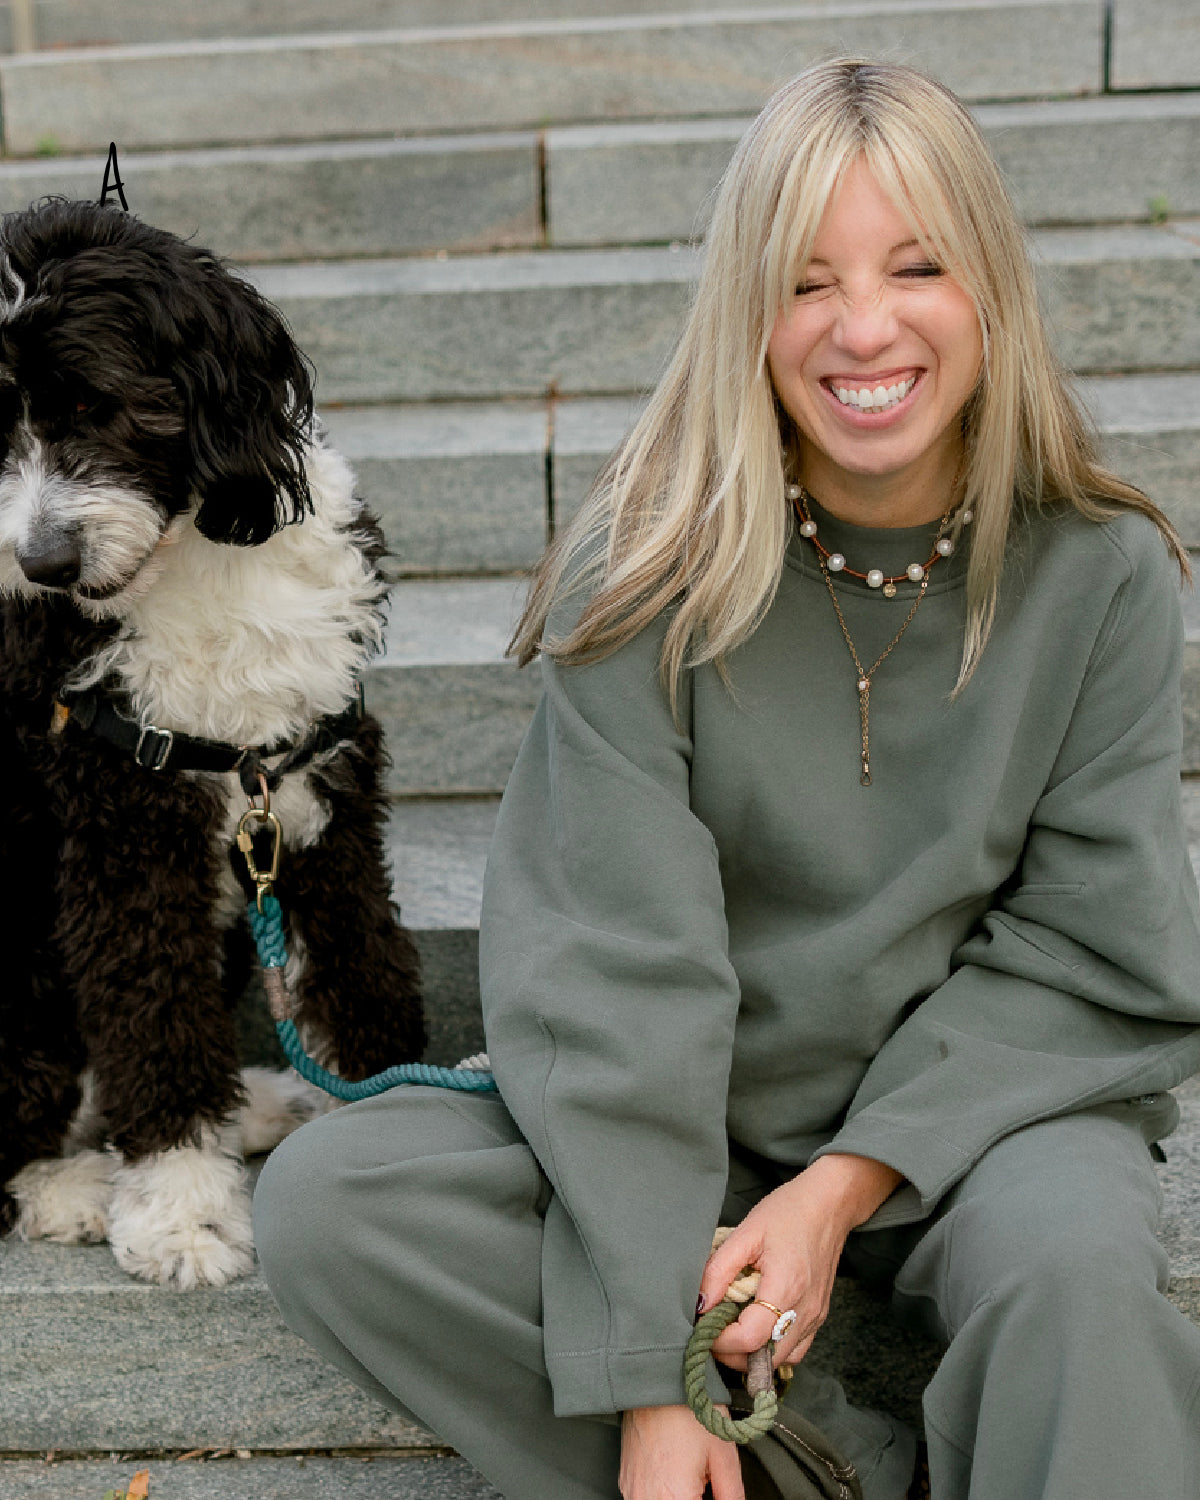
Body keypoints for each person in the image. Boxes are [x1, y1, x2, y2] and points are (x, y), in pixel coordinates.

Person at [253, 59, 1200, 1500]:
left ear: (991, 290)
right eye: (807, 281)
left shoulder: (1102, 572)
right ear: (745, 311)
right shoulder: (644, 577)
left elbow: (1088, 944)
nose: (864, 325)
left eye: (918, 266)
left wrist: (845, 1183)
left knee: (1076, 1275)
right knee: (335, 1200)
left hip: (986, 1115)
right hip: (696, 1129)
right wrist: (651, 1359)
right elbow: (614, 971)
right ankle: (844, 1468)